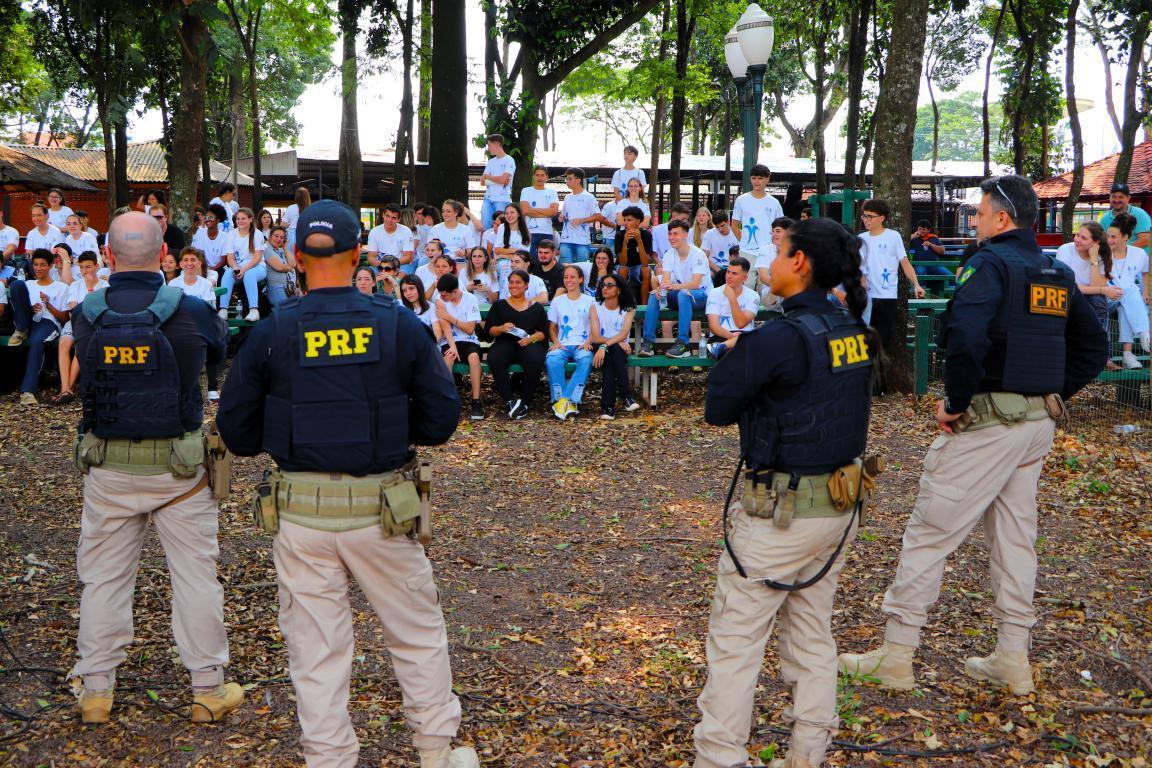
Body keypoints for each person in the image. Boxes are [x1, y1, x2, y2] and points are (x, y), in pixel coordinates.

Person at [216, 200, 477, 768]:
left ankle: (328, 757)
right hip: (383, 510)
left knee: (316, 649)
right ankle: (437, 751)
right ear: (359, 254)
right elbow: (440, 421)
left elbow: (236, 432)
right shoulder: (397, 325)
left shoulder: (273, 331)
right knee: (415, 634)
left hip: (303, 515)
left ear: (297, 258)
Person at [838, 175, 1108, 699]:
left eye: (981, 213)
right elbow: (1093, 348)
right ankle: (1013, 656)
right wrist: (1046, 393)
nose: (976, 221)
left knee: (930, 532)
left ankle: (896, 656)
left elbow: (965, 336)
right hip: (1035, 426)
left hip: (987, 423)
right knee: (1015, 540)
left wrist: (956, 401)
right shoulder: (1054, 271)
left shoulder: (988, 266)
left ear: (1002, 218)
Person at [694, 216, 875, 768]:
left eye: (779, 252)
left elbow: (717, 406)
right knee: (812, 633)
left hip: (783, 514)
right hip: (840, 504)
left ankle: (720, 757)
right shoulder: (851, 328)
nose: (769, 263)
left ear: (799, 263)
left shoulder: (780, 336)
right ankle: (808, 753)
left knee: (736, 640)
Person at [67, 211, 238, 725]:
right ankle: (207, 688)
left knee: (103, 580)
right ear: (165, 253)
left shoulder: (85, 314)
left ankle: (96, 689)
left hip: (108, 467)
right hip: (180, 470)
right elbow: (220, 350)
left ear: (108, 254)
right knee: (196, 578)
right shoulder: (193, 311)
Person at [856, 199, 923, 390]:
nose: (866, 220)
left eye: (870, 216)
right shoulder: (861, 239)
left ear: (882, 218)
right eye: (864, 216)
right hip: (866, 298)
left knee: (881, 342)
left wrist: (916, 284)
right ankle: (863, 385)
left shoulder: (893, 236)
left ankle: (878, 386)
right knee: (863, 341)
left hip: (886, 297)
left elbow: (905, 263)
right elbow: (857, 267)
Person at [485, 269, 551, 419]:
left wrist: (531, 338)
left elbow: (543, 333)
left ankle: (525, 402)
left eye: (518, 282)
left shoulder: (536, 307)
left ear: (526, 285)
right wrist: (501, 328)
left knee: (535, 359)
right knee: (495, 358)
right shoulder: (499, 305)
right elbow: (490, 331)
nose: (514, 285)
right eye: (511, 282)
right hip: (505, 341)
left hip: (528, 342)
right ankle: (509, 401)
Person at [6, 249, 69, 404]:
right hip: (28, 320)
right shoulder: (28, 284)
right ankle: (21, 329)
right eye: (35, 265)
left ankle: (28, 391)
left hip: (48, 323)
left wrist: (48, 305)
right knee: (17, 284)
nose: (38, 268)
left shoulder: (61, 287)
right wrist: (30, 307)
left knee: (36, 342)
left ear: (50, 266)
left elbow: (65, 318)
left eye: (42, 265)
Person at [639, 220, 709, 359]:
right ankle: (648, 343)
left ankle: (683, 344)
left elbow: (695, 284)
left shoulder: (698, 254)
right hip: (681, 295)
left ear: (685, 234)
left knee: (683, 294)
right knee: (654, 295)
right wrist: (661, 290)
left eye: (675, 234)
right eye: (670, 234)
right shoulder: (669, 254)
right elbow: (665, 282)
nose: (671, 237)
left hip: (700, 296)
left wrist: (673, 287)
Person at [53, 250, 109, 404]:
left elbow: (102, 312)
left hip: (94, 325)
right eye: (82, 267)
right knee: (64, 344)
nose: (85, 271)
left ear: (96, 266)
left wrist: (90, 289)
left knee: (80, 346)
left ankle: (67, 389)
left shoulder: (105, 286)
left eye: (88, 267)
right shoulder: (75, 285)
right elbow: (73, 311)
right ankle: (65, 387)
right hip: (76, 322)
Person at [546, 264, 596, 419]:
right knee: (552, 359)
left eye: (572, 277)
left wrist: (589, 341)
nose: (569, 280)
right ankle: (562, 401)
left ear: (580, 279)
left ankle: (567, 401)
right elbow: (552, 327)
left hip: (582, 344)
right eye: (566, 277)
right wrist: (555, 342)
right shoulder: (557, 301)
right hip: (563, 344)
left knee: (586, 359)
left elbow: (595, 325)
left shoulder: (590, 300)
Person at [435, 272, 485, 420]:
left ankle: (476, 401)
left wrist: (449, 316)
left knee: (474, 358)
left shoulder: (470, 299)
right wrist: (452, 346)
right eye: (441, 294)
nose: (442, 297)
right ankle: (447, 400)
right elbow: (445, 326)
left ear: (455, 291)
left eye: (445, 295)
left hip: (469, 341)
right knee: (448, 357)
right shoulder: (439, 300)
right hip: (449, 341)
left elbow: (470, 329)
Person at [1104, 212, 1151, 368]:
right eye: (1108, 235)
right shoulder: (1102, 253)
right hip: (1105, 296)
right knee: (1130, 291)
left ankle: (1127, 354)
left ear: (1125, 237)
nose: (1109, 240)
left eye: (1113, 237)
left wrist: (1145, 292)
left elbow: (1145, 273)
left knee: (1126, 304)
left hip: (1126, 298)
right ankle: (1144, 331)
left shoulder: (1139, 254)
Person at [590, 273, 638, 419]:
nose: (605, 288)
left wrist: (607, 345)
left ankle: (608, 407)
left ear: (619, 290)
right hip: (601, 346)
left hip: (615, 348)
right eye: (603, 285)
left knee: (611, 359)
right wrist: (610, 343)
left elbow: (624, 333)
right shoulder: (595, 307)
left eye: (610, 285)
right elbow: (596, 337)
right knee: (613, 351)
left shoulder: (628, 309)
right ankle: (626, 395)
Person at [1055, 222, 1114, 328]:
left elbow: (1096, 286)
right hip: (1068, 294)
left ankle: (1097, 334)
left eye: (1084, 238)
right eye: (1077, 235)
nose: (1077, 240)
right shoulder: (1065, 250)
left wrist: (1094, 259)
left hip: (1089, 296)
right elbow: (1068, 286)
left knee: (1098, 300)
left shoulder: (1102, 256)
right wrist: (1103, 290)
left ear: (1095, 242)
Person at [731, 165, 785, 268]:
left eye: (760, 178)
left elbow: (782, 227)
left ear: (767, 179)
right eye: (754, 178)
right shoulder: (741, 200)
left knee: (765, 278)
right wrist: (743, 242)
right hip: (747, 252)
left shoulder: (774, 203)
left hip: (768, 251)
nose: (756, 181)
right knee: (746, 279)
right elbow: (734, 225)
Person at [219, 207, 267, 322]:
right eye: (238, 219)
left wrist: (244, 269)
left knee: (249, 275)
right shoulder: (231, 234)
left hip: (257, 267)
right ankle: (223, 309)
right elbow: (230, 258)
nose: (240, 221)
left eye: (243, 218)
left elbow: (257, 258)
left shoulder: (258, 234)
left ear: (251, 219)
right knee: (227, 274)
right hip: (239, 266)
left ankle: (254, 310)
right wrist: (235, 267)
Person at [705, 256, 759, 344]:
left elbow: (740, 324)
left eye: (734, 273)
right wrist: (731, 336)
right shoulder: (714, 293)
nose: (729, 276)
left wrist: (732, 297)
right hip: (720, 337)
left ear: (745, 278)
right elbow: (713, 326)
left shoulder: (753, 295)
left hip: (744, 336)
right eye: (728, 272)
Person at [557, 168, 600, 264]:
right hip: (566, 239)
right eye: (566, 179)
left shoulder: (589, 197)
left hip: (582, 240)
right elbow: (563, 215)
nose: (567, 181)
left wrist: (581, 220)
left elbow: (598, 216)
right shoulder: (567, 197)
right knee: (565, 268)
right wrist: (561, 217)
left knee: (581, 268)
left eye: (570, 179)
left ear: (578, 180)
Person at [615, 206, 654, 303]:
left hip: (639, 266)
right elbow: (622, 263)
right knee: (623, 270)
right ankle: (623, 304)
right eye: (624, 220)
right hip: (624, 266)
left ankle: (644, 306)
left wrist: (639, 241)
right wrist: (625, 243)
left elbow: (645, 263)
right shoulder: (619, 235)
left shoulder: (646, 235)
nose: (625, 223)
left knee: (646, 270)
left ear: (638, 221)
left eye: (629, 220)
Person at [1099, 182, 1151, 253]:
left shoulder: (1140, 214)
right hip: (1114, 258)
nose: (1116, 200)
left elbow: (1146, 239)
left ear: (1128, 198)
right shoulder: (1105, 218)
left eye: (1121, 197)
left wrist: (1123, 253)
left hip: (1138, 258)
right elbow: (1102, 241)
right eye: (1113, 196)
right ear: (1109, 197)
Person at [519, 166, 559, 258]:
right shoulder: (526, 191)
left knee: (545, 260)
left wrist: (532, 210)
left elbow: (553, 212)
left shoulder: (552, 192)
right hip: (530, 232)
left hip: (547, 232)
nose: (539, 178)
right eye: (537, 175)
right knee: (531, 260)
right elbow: (525, 210)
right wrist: (546, 212)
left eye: (542, 175)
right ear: (533, 176)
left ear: (546, 177)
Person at [480, 133, 516, 229]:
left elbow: (503, 179)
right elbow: (482, 182)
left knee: (501, 227)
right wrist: (499, 180)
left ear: (496, 144)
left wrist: (489, 177)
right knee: (485, 226)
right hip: (488, 198)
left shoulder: (509, 160)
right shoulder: (491, 161)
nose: (488, 148)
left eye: (489, 145)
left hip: (502, 199)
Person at [367, 203, 417, 272]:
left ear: (399, 219)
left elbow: (408, 257)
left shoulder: (406, 231)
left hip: (400, 264)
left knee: (405, 271)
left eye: (393, 218)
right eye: (387, 216)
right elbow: (371, 258)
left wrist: (391, 265)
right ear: (383, 215)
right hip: (380, 265)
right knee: (370, 273)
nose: (389, 220)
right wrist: (384, 266)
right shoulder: (374, 232)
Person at [430, 200, 481, 267]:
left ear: (456, 213)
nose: (445, 214)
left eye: (448, 211)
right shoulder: (435, 229)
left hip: (460, 263)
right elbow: (429, 249)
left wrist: (465, 252)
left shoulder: (466, 229)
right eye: (443, 211)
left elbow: (473, 250)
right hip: (439, 264)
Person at [192, 204, 230, 288]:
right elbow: (199, 254)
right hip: (202, 266)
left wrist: (212, 269)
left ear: (218, 220)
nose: (208, 219)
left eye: (211, 217)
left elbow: (224, 260)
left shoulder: (225, 237)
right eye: (206, 217)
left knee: (220, 273)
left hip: (218, 269)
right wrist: (205, 268)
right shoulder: (200, 232)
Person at [701, 211, 739, 288]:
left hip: (733, 267)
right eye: (717, 227)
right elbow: (704, 256)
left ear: (728, 222)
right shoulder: (709, 234)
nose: (720, 229)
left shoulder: (737, 233)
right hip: (714, 267)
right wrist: (718, 270)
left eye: (722, 225)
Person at [264, 225, 298, 307]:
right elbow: (280, 267)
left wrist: (285, 247)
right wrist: (290, 268)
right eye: (276, 236)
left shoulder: (280, 249)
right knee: (289, 309)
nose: (279, 239)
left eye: (282, 237)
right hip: (276, 288)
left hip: (288, 287)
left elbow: (293, 263)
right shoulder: (266, 248)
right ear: (270, 236)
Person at [282, 187, 311, 251]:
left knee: (290, 256)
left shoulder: (291, 208)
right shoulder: (312, 209)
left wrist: (289, 224)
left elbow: (283, 224)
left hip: (292, 237)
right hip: (307, 236)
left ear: (297, 196)